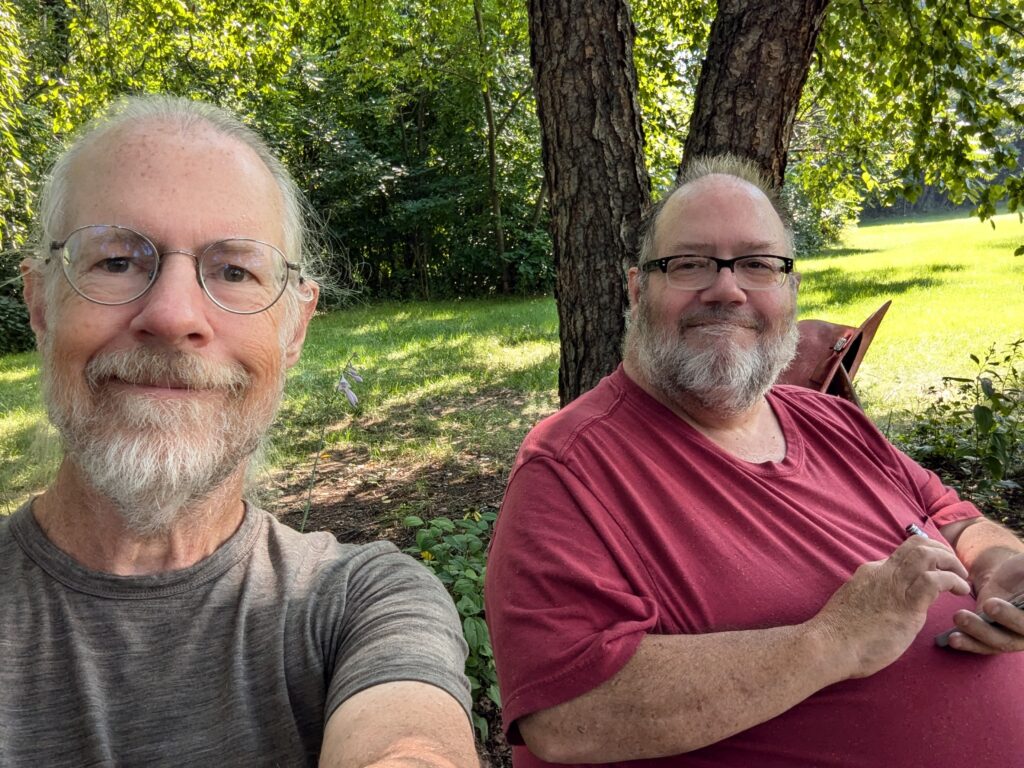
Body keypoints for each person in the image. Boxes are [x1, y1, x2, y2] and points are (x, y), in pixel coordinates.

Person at [484, 154, 1024, 768]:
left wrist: (1001, 562)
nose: (727, 289)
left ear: (790, 290)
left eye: (758, 265)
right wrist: (832, 641)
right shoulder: (571, 466)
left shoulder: (832, 420)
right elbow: (567, 715)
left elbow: (950, 515)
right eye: (689, 264)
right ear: (637, 290)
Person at [1, 95, 477, 768]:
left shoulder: (359, 605)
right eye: (116, 261)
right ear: (40, 304)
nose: (171, 316)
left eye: (233, 271)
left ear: (296, 328)